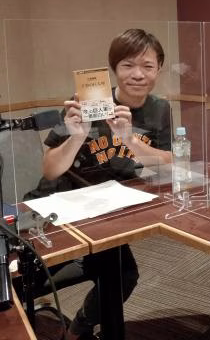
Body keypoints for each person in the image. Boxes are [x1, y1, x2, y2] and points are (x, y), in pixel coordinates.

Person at [29, 28, 172, 339]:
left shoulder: (160, 109)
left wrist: (130, 139)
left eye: (147, 66)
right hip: (61, 206)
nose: (138, 74)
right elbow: (50, 170)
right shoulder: (88, 102)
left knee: (122, 275)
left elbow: (167, 162)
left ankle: (80, 325)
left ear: (159, 68)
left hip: (108, 211)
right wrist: (76, 137)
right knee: (28, 280)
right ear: (114, 68)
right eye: (127, 65)